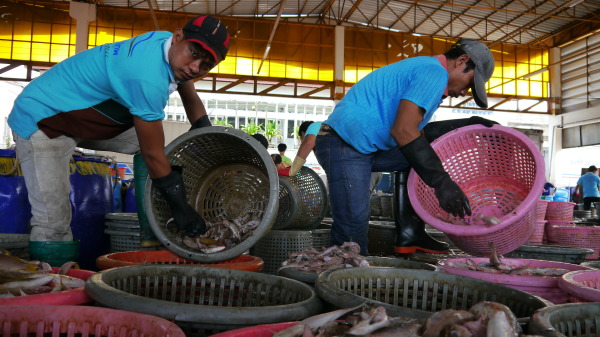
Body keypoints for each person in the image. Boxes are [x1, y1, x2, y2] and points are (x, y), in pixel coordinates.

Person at [8, 15, 230, 260]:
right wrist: (181, 207)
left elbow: (188, 91)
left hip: (83, 117)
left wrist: (205, 129)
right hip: (43, 118)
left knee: (161, 154)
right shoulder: (146, 77)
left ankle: (153, 233)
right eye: (194, 53)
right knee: (53, 220)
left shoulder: (164, 44)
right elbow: (152, 154)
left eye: (206, 65)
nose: (195, 67)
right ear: (178, 37)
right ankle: (50, 287)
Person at [312, 38, 497, 255]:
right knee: (352, 233)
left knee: (422, 152)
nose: (465, 92)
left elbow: (416, 135)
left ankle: (411, 233)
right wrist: (441, 181)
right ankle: (342, 275)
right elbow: (403, 131)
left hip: (367, 147)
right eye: (470, 83)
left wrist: (465, 124)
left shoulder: (425, 70)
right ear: (461, 61)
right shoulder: (434, 72)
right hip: (344, 142)